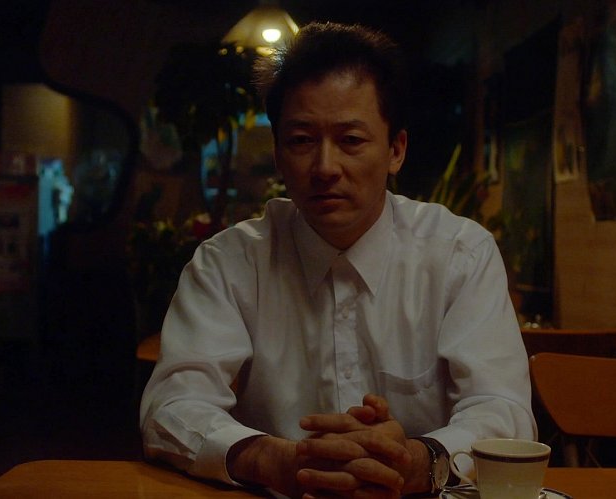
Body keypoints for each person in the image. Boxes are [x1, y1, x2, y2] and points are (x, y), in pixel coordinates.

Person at [140, 21, 536, 498]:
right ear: (279, 155)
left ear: (396, 150)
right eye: (302, 140)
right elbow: (172, 408)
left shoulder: (459, 255)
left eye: (351, 140)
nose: (325, 167)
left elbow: (502, 407)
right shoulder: (228, 263)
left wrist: (416, 461)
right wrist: (273, 460)